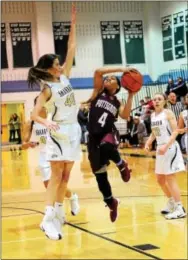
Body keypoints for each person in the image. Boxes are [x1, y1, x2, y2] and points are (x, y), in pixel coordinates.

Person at [27, 4, 80, 240]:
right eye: (56, 64)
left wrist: (73, 25)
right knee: (56, 176)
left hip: (74, 130)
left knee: (67, 176)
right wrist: (45, 123)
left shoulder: (65, 75)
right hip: (58, 132)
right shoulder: (46, 90)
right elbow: (34, 115)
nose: (60, 65)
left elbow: (71, 48)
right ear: (49, 69)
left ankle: (58, 212)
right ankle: (47, 218)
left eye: (60, 63)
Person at [84, 67, 136, 222]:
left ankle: (121, 164)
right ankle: (111, 202)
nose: (107, 79)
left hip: (109, 133)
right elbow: (98, 72)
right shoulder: (98, 92)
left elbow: (125, 115)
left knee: (107, 146)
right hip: (93, 138)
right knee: (100, 178)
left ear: (118, 86)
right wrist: (123, 69)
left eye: (112, 78)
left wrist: (131, 95)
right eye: (108, 78)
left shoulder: (117, 101)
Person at [22, 97, 80, 219]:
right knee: (49, 185)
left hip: (57, 153)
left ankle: (59, 214)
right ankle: (72, 196)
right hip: (43, 156)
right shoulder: (30, 123)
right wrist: (28, 144)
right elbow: (24, 144)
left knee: (56, 185)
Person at [144, 93, 186, 219]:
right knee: (159, 179)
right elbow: (154, 132)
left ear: (164, 101)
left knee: (170, 178)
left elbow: (175, 132)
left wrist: (166, 146)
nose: (156, 101)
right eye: (154, 99)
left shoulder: (168, 113)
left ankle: (180, 208)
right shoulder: (152, 115)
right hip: (160, 148)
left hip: (170, 147)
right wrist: (148, 142)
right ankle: (172, 202)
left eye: (159, 99)